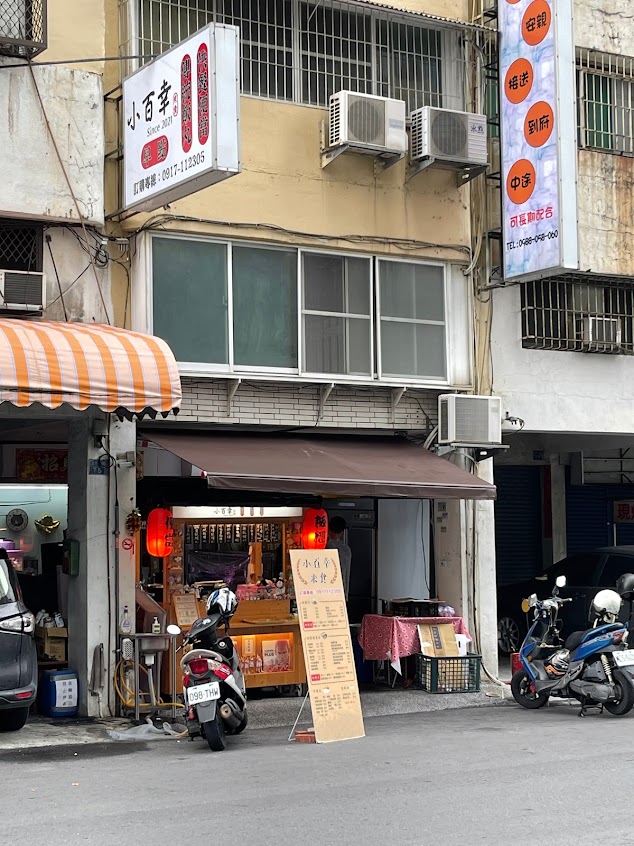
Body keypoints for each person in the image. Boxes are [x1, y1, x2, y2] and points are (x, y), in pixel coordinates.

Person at [327, 516, 352, 601]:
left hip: (326, 594)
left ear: (328, 529)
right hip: (342, 594)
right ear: (342, 532)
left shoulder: (325, 547)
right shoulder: (346, 549)